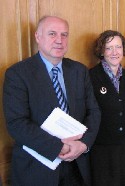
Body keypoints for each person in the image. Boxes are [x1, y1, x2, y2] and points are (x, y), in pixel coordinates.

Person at [2, 15, 101, 186]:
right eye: (52, 34)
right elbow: (17, 123)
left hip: (77, 165)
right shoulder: (17, 74)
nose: (59, 40)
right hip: (37, 169)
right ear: (37, 37)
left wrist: (84, 145)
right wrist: (58, 147)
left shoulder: (79, 71)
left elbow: (94, 112)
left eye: (64, 35)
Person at [89, 30, 125, 186]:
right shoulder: (91, 77)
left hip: (124, 145)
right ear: (101, 51)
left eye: (118, 47)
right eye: (109, 48)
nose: (115, 52)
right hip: (101, 147)